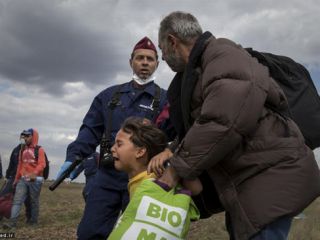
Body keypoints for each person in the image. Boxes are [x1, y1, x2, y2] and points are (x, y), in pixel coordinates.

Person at [149, 11, 320, 240]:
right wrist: (174, 148)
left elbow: (223, 120)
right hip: (250, 184)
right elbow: (206, 121)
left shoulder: (222, 55)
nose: (164, 58)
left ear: (172, 41)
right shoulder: (204, 67)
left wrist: (176, 169)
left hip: (267, 181)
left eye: (162, 50)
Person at [58, 36, 168, 239]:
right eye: (140, 58)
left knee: (135, 234)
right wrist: (74, 157)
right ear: (131, 62)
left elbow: (172, 136)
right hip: (107, 175)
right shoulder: (108, 96)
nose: (145, 62)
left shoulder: (166, 99)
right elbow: (90, 130)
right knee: (90, 231)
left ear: (157, 64)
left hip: (144, 179)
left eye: (150, 59)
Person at [108, 117, 200, 239]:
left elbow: (197, 188)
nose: (112, 148)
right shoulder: (137, 180)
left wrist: (174, 159)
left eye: (119, 144)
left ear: (140, 152)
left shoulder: (158, 179)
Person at [4, 129, 46, 229]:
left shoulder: (39, 149)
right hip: (22, 180)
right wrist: (16, 179)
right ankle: (12, 223)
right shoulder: (22, 150)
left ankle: (33, 222)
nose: (25, 138)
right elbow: (20, 165)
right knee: (17, 201)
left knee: (33, 201)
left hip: (35, 180)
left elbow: (42, 164)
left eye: (27, 136)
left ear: (33, 137)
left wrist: (34, 173)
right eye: (24, 136)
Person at [1, 132, 31, 220]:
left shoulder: (34, 150)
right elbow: (11, 164)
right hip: (13, 176)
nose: (24, 138)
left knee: (28, 199)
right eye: (22, 136)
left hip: (27, 178)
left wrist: (43, 176)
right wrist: (7, 176)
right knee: (3, 194)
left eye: (26, 136)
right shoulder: (15, 150)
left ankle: (30, 218)